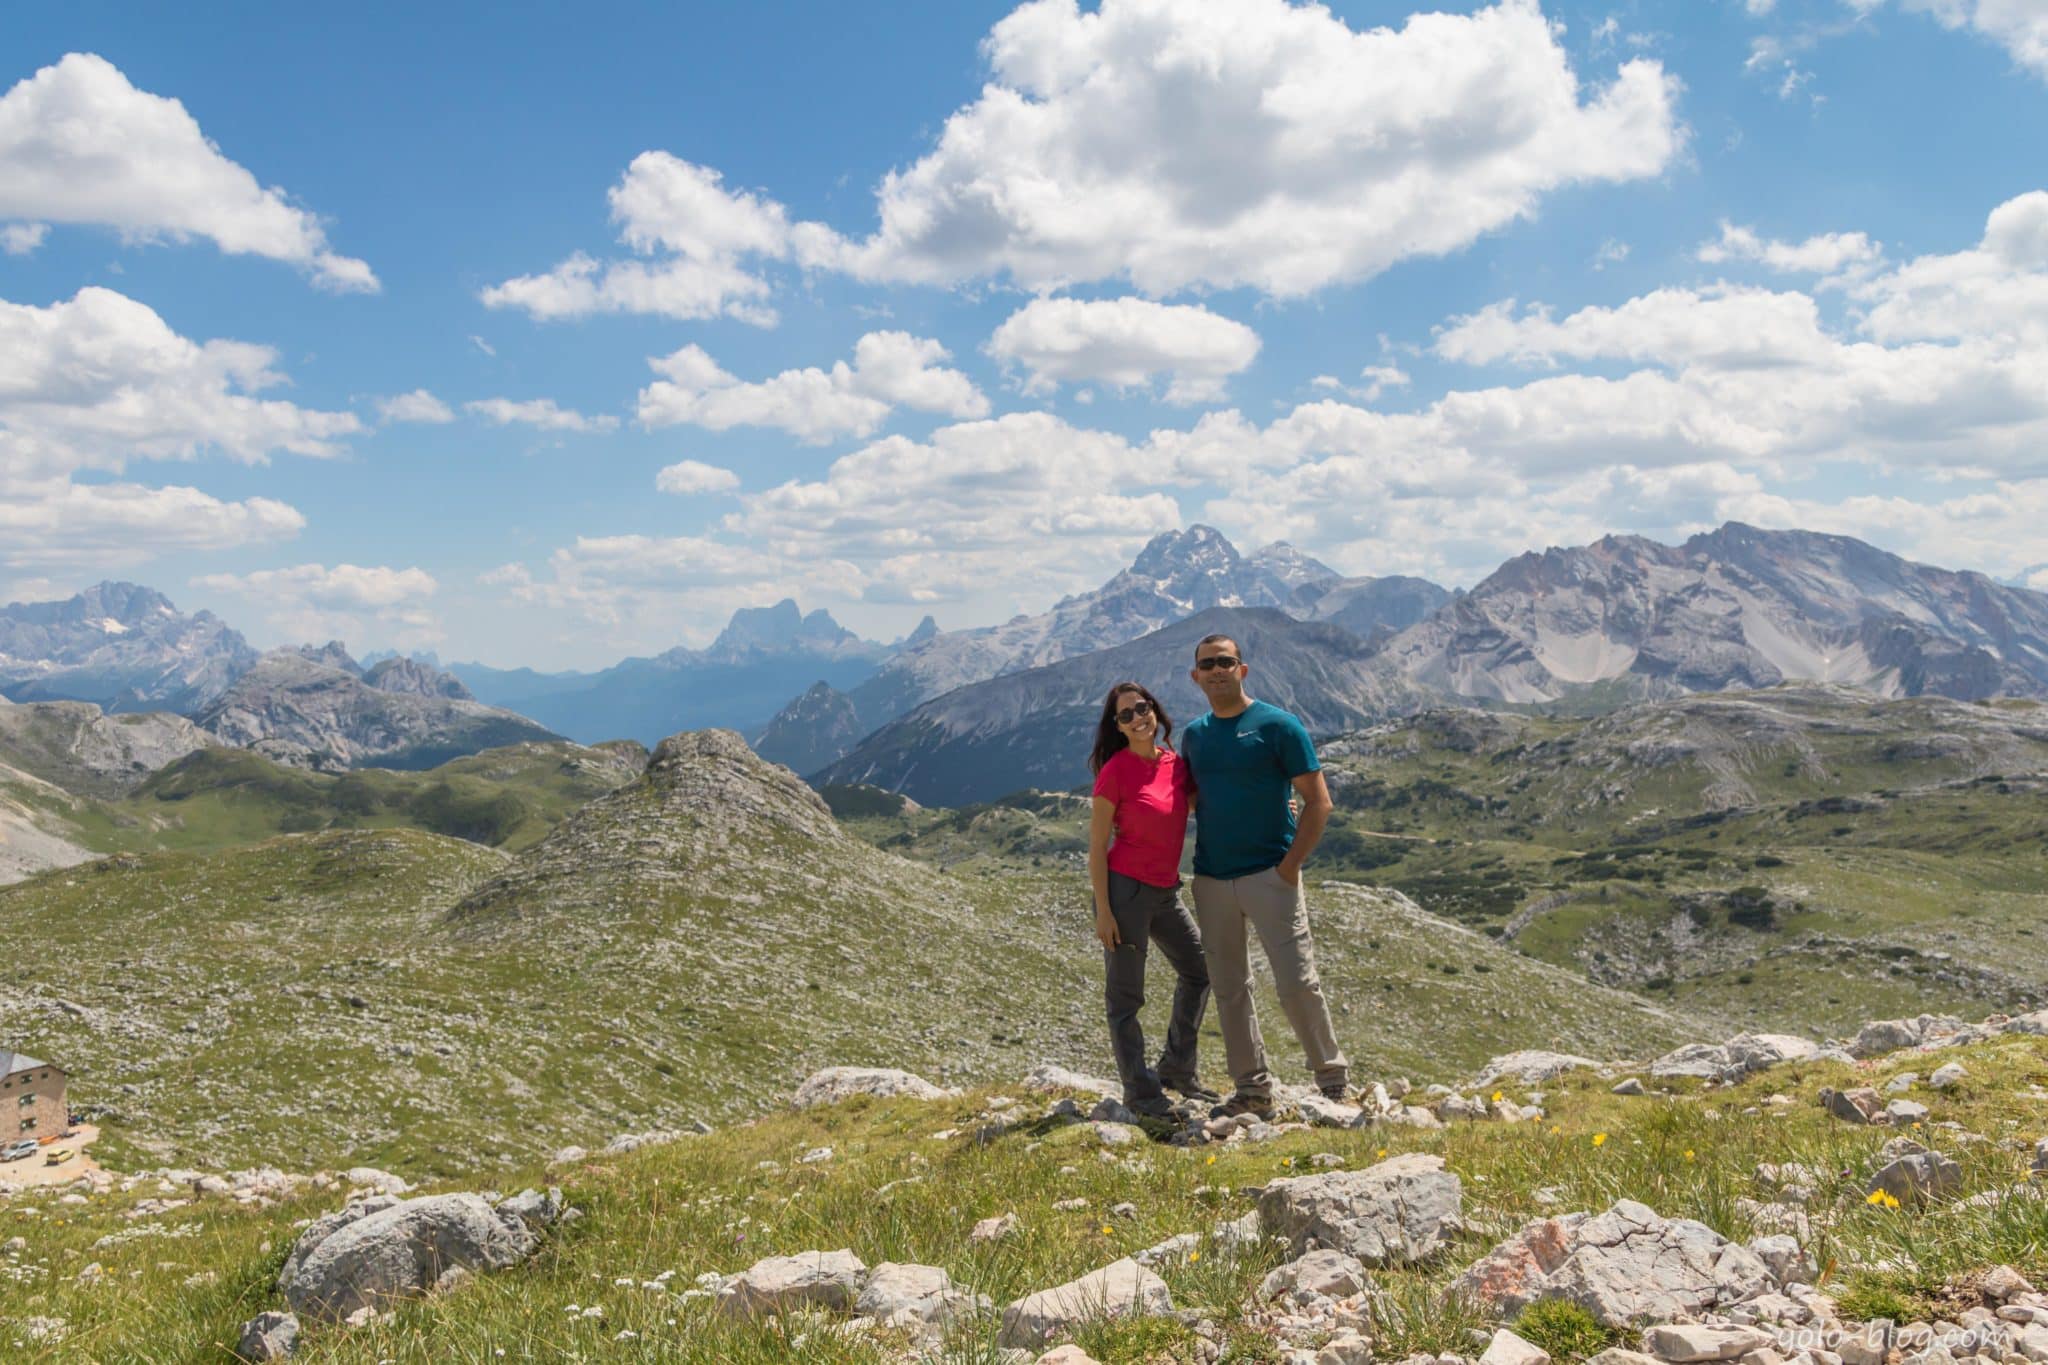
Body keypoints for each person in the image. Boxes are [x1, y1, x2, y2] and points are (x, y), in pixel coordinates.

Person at [1180, 633, 1349, 1118]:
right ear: (1196, 676)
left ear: (1243, 669)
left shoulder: (1279, 725)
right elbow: (1193, 799)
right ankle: (1251, 1090)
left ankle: (1333, 1080)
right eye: (1207, 664)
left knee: (1297, 982)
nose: (1217, 670)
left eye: (1226, 662)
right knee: (1230, 988)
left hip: (1270, 876)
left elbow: (1319, 802)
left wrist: (1290, 867)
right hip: (1211, 879)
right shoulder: (1195, 734)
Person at [1087, 681, 1218, 1118]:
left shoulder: (1175, 766)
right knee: (1125, 999)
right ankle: (1141, 1095)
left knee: (1200, 971)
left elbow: (1210, 807)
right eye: (1126, 714)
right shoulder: (1116, 771)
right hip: (1124, 893)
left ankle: (1177, 1069)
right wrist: (1104, 911)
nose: (1137, 718)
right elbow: (1097, 848)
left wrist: (1279, 808)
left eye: (1141, 708)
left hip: (1165, 891)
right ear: (1118, 727)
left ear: (1155, 711)